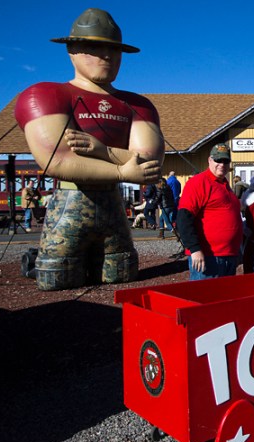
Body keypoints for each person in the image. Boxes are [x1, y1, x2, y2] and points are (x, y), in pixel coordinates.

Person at [14, 8, 163, 290]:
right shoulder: (46, 94)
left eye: (113, 50)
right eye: (93, 48)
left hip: (113, 208)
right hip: (69, 205)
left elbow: (150, 165)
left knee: (121, 278)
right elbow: (57, 160)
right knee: (57, 280)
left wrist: (100, 150)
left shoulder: (138, 104)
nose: (106, 56)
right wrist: (123, 169)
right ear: (72, 49)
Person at [177, 143, 243, 279]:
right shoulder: (198, 183)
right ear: (209, 160)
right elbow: (183, 218)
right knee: (204, 299)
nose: (222, 164)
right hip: (208, 257)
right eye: (218, 160)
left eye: (226, 161)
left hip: (228, 256)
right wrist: (195, 249)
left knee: (226, 299)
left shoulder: (225, 185)